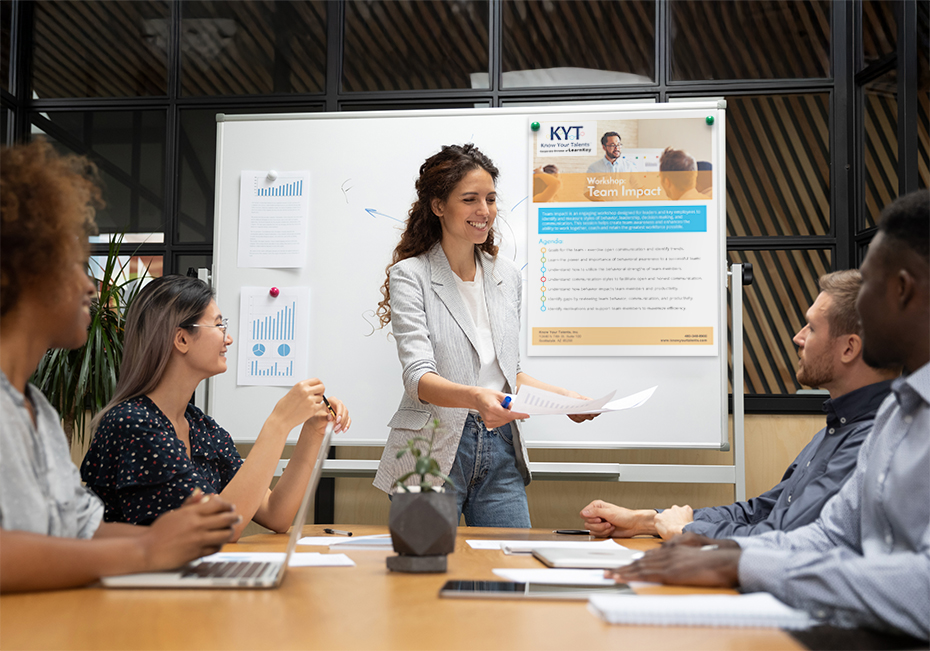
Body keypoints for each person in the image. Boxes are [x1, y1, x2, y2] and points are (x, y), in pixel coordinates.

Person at [611, 190, 929, 641]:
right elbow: (829, 535)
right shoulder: (898, 412)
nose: (861, 307)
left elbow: (922, 589)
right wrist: (721, 553)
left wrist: (738, 561)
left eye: (869, 287)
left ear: (901, 290)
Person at [0, 140, 239, 593]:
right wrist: (147, 550)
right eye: (73, 265)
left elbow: (82, 531)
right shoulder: (131, 421)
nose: (90, 286)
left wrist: (176, 541)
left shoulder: (37, 411)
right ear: (23, 273)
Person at [372, 144, 596, 527]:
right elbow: (418, 379)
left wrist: (564, 399)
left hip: (500, 445)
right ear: (438, 206)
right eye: (470, 199)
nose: (485, 211)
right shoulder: (410, 275)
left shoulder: (506, 275)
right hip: (431, 447)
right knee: (424, 563)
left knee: (510, 562)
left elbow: (509, 372)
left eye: (490, 199)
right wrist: (476, 397)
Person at [581, 270, 898, 540]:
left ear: (849, 349)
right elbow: (763, 511)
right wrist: (648, 521)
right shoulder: (837, 427)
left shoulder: (873, 439)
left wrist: (685, 530)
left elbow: (780, 536)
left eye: (812, 328)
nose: (798, 338)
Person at [80, 275, 351, 541]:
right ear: (181, 339)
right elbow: (220, 529)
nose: (228, 338)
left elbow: (275, 514)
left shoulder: (201, 427)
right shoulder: (133, 424)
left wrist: (312, 431)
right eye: (219, 325)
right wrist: (279, 423)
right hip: (136, 572)